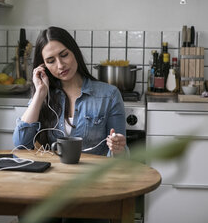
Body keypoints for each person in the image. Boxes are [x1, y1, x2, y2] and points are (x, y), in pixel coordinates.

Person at [12, 26, 127, 157]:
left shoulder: (109, 95)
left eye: (64, 55)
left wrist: (118, 149)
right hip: (55, 175)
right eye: (51, 61)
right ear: (43, 66)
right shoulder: (45, 95)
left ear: (74, 52)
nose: (60, 65)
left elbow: (122, 156)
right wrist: (39, 94)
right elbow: (21, 145)